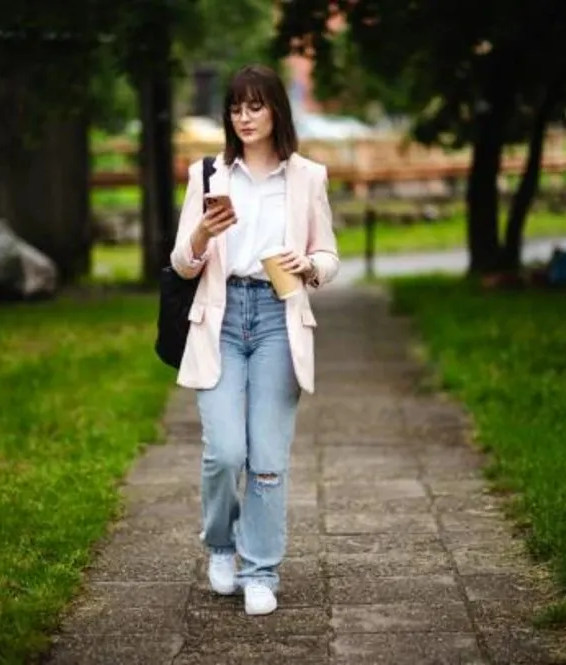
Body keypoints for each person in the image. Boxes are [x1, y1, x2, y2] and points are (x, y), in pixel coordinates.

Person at [169, 64, 340, 616]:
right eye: (236, 108)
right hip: (219, 317)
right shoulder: (209, 175)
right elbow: (180, 263)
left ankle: (261, 569)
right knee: (225, 452)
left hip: (276, 315)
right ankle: (221, 545)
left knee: (267, 457)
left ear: (276, 113)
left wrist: (309, 263)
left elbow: (330, 257)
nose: (244, 117)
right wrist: (201, 232)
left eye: (255, 106)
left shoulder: (307, 176)